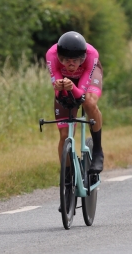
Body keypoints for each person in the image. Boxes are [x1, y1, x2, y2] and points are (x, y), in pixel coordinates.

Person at [45, 31, 104, 175]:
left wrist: (73, 89)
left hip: (88, 77)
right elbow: (59, 94)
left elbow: (81, 96)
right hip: (66, 81)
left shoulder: (91, 55)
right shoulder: (51, 55)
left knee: (89, 102)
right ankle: (67, 176)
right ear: (59, 57)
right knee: (64, 134)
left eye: (75, 60)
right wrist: (60, 90)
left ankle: (97, 149)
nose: (70, 63)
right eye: (65, 59)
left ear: (82, 57)